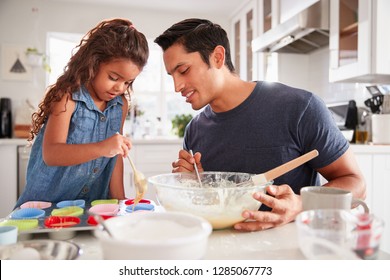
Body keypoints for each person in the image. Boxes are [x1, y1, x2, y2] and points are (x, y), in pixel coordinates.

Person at [154, 18, 366, 231]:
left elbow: (355, 183)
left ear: (217, 57)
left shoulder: (299, 107)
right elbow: (218, 204)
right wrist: (194, 185)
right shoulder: (195, 130)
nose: (177, 86)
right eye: (172, 75)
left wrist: (302, 204)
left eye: (183, 70)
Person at [15, 18, 149, 208]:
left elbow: (115, 157)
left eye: (127, 82)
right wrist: (103, 147)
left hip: (90, 207)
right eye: (113, 77)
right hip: (47, 207)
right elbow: (51, 153)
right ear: (94, 63)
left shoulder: (120, 105)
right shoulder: (67, 97)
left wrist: (120, 202)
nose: (119, 87)